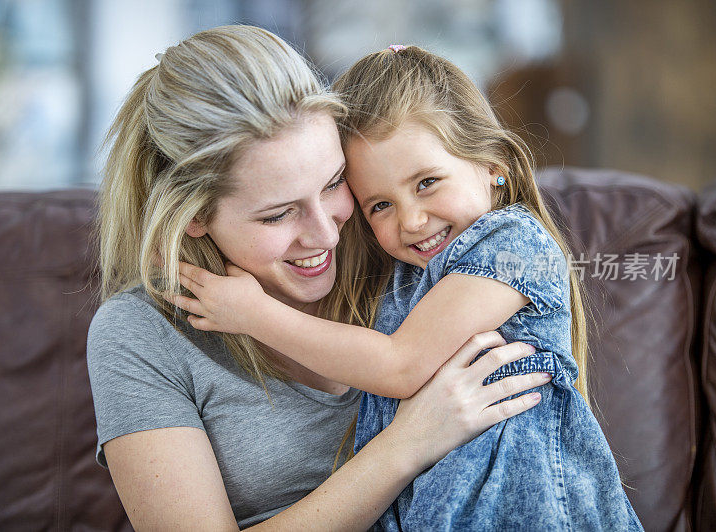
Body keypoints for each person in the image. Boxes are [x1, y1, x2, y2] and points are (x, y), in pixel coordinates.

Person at [87, 26, 551, 530]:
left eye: (334, 184)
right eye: (278, 215)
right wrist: (408, 444)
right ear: (194, 217)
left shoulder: (406, 250)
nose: (326, 234)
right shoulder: (141, 335)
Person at [168, 45, 643, 530]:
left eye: (427, 183)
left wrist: (255, 314)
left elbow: (399, 366)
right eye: (379, 205)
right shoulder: (404, 276)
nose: (412, 221)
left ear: (492, 164)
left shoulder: (514, 246)